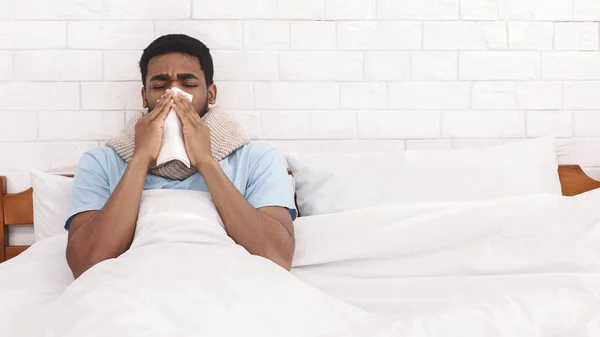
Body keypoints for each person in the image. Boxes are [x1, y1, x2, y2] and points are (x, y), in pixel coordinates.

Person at [65, 34, 297, 279]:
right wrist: (141, 158)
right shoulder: (101, 162)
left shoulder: (258, 159)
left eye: (188, 84)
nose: (174, 94)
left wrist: (205, 161)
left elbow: (276, 257)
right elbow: (86, 264)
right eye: (160, 86)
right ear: (144, 96)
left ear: (211, 93)